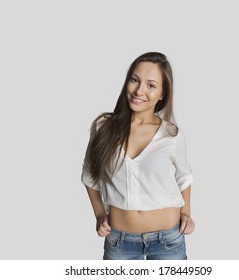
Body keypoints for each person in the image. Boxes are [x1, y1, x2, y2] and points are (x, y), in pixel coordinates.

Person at [81, 52, 195, 260]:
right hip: (119, 241)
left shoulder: (172, 134)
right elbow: (89, 176)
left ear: (163, 93)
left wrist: (186, 212)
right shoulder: (103, 128)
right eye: (135, 80)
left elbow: (184, 176)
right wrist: (99, 214)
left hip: (168, 240)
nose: (139, 90)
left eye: (151, 85)